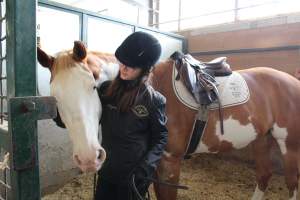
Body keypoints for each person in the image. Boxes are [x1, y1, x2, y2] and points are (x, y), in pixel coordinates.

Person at [95, 31, 168, 200]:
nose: (124, 68)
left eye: (132, 66)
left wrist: (145, 168)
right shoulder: (106, 91)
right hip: (107, 170)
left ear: (145, 69)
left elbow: (161, 137)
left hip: (134, 176)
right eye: (122, 63)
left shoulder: (154, 100)